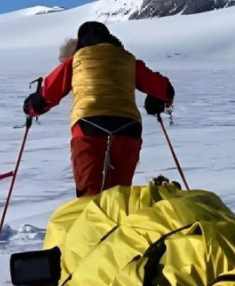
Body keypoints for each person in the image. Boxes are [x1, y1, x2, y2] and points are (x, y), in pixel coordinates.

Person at [23, 21, 175, 197]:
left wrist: (31, 107)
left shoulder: (77, 60)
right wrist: (155, 100)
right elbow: (165, 89)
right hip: (129, 129)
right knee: (120, 195)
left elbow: (47, 95)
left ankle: (92, 221)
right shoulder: (127, 60)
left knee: (90, 195)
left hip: (88, 126)